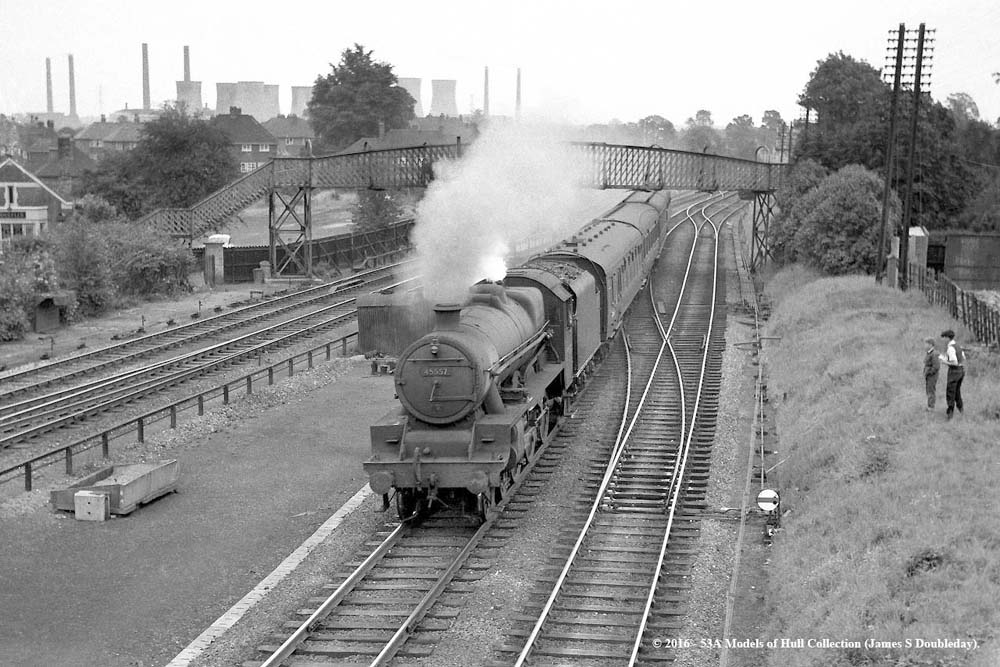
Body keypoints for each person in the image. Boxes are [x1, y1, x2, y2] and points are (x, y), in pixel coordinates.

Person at [939, 329, 965, 419]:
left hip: (954, 371)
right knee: (957, 391)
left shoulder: (950, 348)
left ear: (947, 338)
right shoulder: (958, 345)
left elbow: (954, 362)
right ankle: (961, 409)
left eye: (943, 338)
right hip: (961, 370)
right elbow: (963, 358)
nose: (942, 340)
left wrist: (944, 361)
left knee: (950, 392)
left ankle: (950, 414)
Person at [923, 337, 939, 410]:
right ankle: (929, 405)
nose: (925, 345)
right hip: (929, 375)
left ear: (930, 344)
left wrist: (929, 372)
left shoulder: (934, 354)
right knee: (928, 390)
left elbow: (936, 366)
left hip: (932, 376)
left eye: (926, 344)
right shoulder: (929, 353)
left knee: (931, 390)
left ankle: (931, 407)